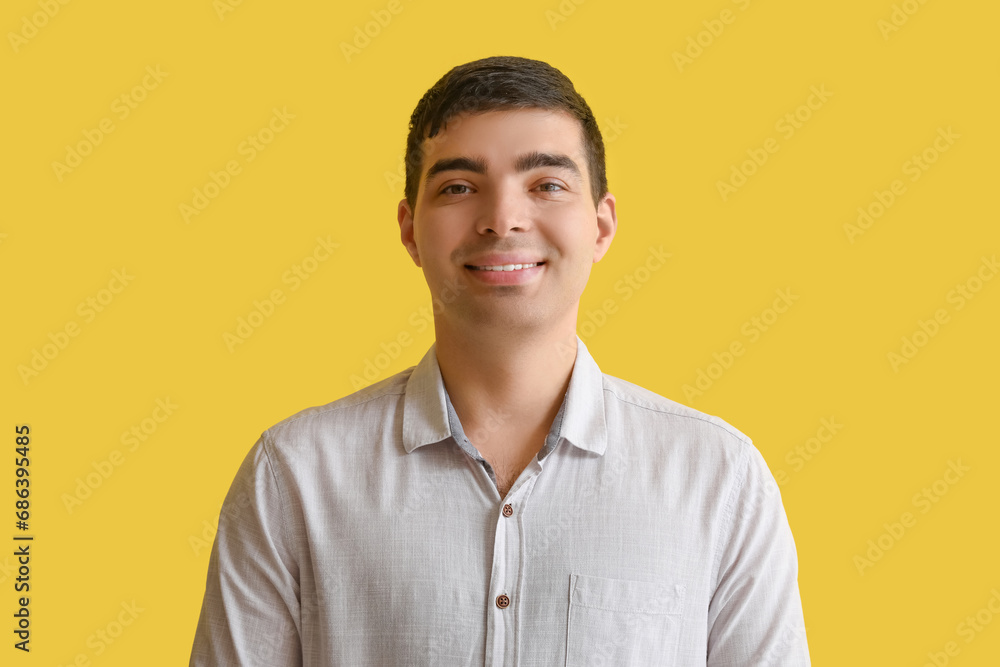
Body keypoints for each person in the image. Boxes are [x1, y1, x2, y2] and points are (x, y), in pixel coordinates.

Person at [189, 55, 810, 666]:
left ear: (600, 226)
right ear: (409, 229)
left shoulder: (719, 480)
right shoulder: (294, 477)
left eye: (547, 185)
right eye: (459, 187)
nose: (503, 219)